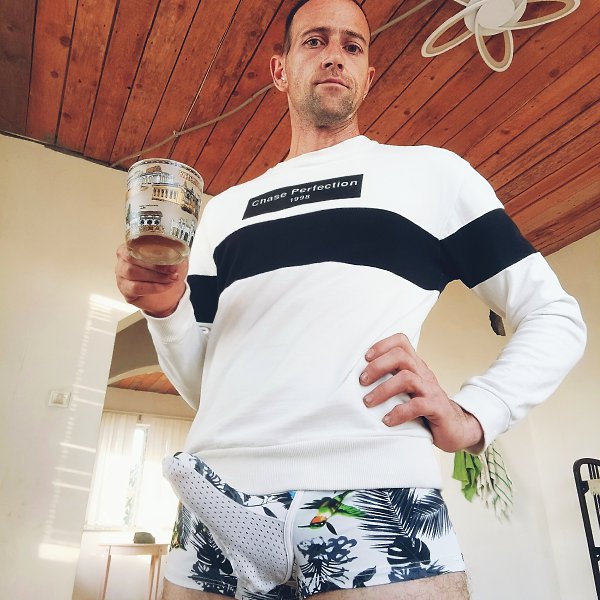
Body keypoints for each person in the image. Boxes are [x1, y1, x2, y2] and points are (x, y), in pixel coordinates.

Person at [115, 0, 587, 598]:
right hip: (218, 495)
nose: (335, 55)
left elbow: (554, 316)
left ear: (367, 75)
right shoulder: (223, 212)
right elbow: (206, 386)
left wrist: (474, 415)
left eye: (353, 45)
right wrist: (165, 313)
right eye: (315, 41)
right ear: (280, 69)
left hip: (375, 490)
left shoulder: (433, 176)